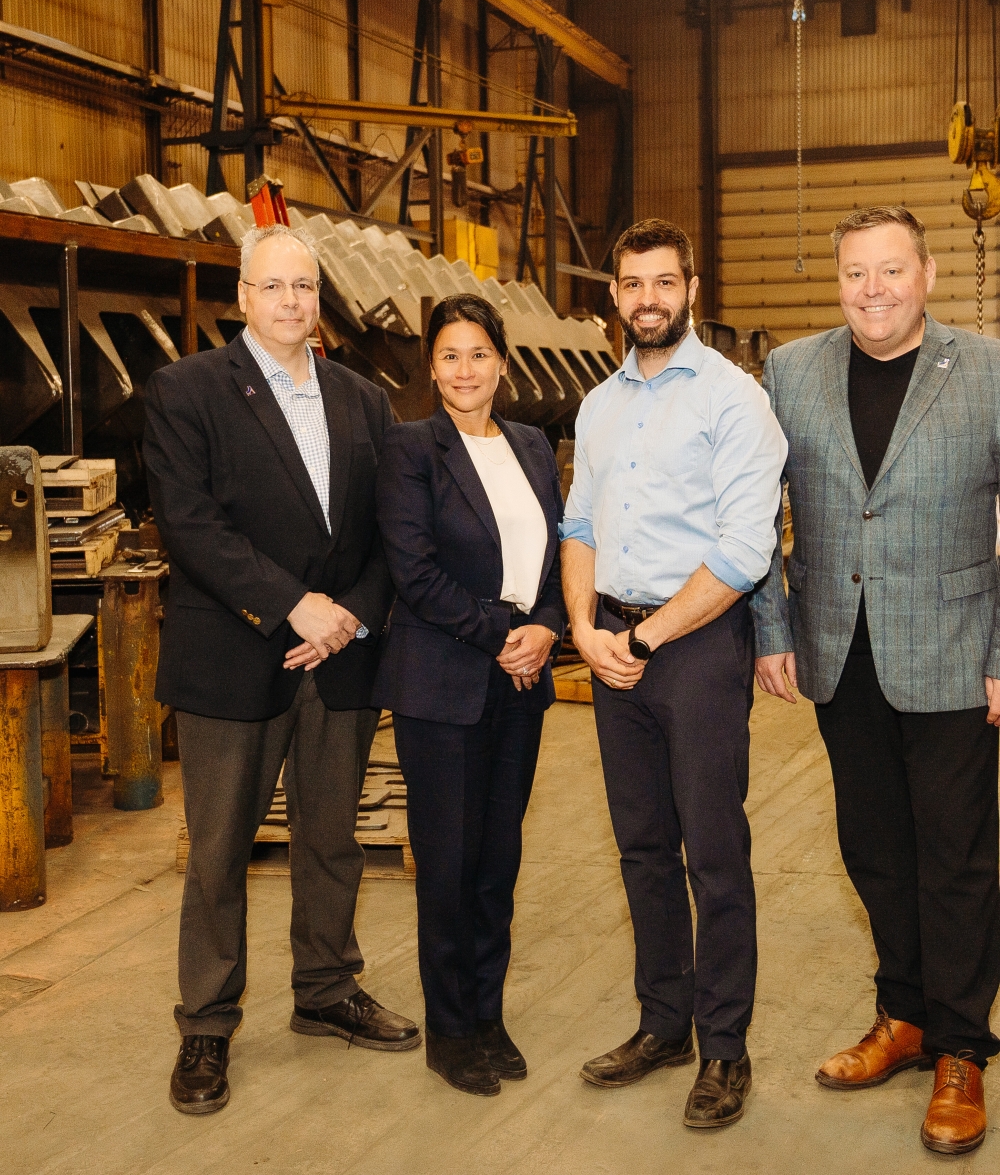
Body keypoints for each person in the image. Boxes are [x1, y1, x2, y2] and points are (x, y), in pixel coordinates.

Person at [143, 223, 419, 1116]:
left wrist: (351, 618)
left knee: (331, 835)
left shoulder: (362, 398)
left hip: (336, 655)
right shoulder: (187, 390)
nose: (293, 302)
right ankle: (208, 1024)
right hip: (236, 652)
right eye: (275, 287)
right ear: (242, 295)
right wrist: (292, 603)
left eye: (305, 286)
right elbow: (189, 524)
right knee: (219, 849)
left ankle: (327, 985)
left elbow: (387, 528)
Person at [752, 205, 1000, 1155]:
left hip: (953, 648)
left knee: (955, 855)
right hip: (837, 650)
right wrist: (773, 625)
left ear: (926, 275)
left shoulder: (983, 370)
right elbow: (755, 512)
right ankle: (903, 1014)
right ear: (838, 280)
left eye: (891, 271)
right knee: (874, 847)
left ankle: (964, 1047)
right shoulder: (790, 371)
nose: (873, 290)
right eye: (857, 273)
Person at [560, 218, 787, 1129]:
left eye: (664, 281)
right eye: (631, 283)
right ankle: (664, 1021)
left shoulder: (735, 401)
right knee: (642, 845)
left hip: (691, 649)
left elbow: (744, 549)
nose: (647, 298)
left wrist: (647, 638)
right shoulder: (598, 403)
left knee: (713, 850)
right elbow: (580, 524)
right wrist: (582, 625)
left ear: (692, 289)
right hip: (612, 643)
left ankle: (724, 1047)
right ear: (613, 295)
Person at [373, 294, 565, 1098]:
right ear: (432, 365)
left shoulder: (529, 442)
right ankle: (450, 1028)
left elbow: (560, 553)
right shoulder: (410, 447)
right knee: (448, 864)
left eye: (479, 354)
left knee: (497, 861)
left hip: (521, 678)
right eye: (449, 355)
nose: (464, 370)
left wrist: (548, 625)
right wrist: (503, 636)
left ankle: (487, 1012)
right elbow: (413, 571)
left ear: (502, 362)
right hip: (446, 679)